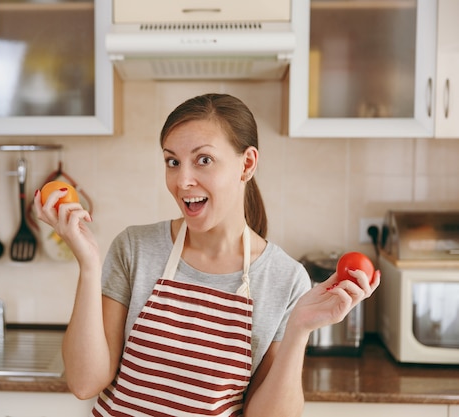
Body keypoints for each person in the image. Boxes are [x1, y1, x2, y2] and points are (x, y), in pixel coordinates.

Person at [34, 93, 380, 417]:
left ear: (247, 164)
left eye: (203, 160)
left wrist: (299, 331)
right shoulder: (135, 248)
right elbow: (84, 383)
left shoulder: (284, 279)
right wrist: (89, 267)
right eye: (172, 161)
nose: (182, 180)